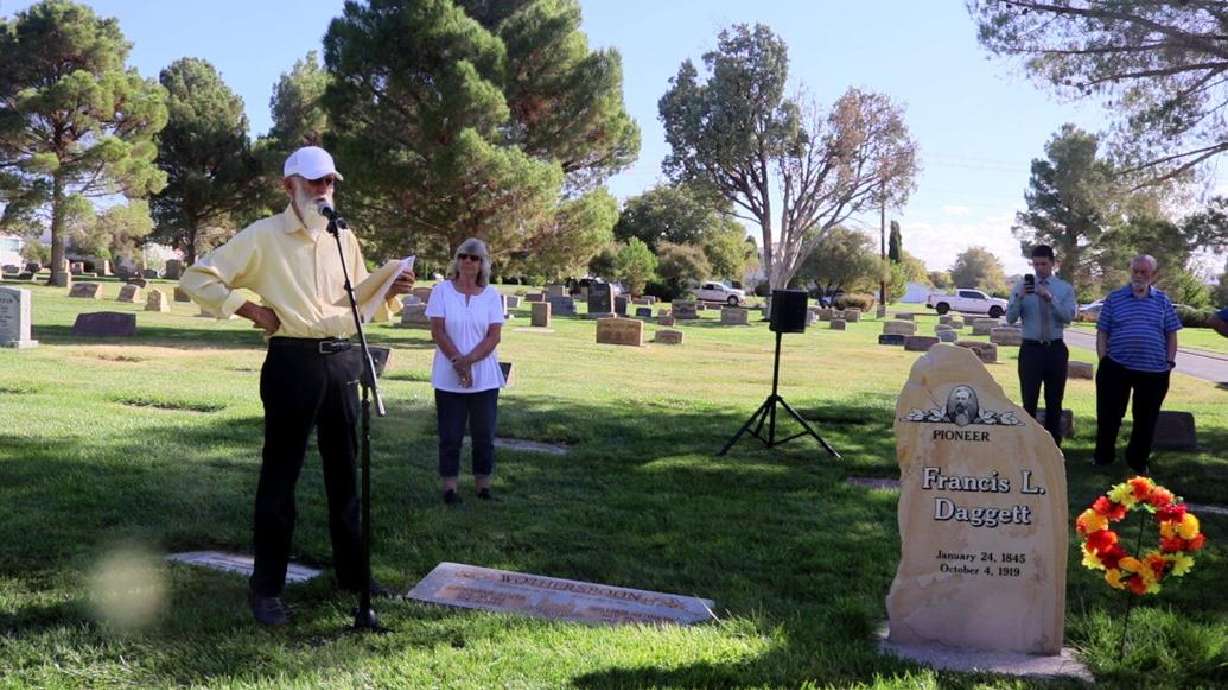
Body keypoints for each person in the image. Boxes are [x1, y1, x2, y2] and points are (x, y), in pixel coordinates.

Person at [179, 146, 415, 625]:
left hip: (343, 362)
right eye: (313, 182)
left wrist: (389, 289)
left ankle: (352, 575)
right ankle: (266, 590)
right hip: (292, 363)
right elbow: (197, 276)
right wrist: (250, 309)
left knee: (345, 474)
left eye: (329, 181)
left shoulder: (344, 236)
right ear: (288, 186)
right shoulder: (263, 235)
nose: (323, 190)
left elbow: (352, 296)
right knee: (280, 478)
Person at [426, 238, 506, 505]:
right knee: (450, 436)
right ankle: (450, 488)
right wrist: (458, 362)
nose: (467, 261)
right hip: (448, 377)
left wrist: (469, 361)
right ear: (456, 260)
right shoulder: (441, 292)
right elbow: (438, 330)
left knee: (484, 435)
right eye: (463, 256)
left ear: (483, 263)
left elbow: (494, 336)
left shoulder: (492, 295)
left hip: (484, 378)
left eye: (474, 257)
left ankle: (483, 486)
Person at [1094, 254, 1181, 475]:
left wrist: (1170, 360)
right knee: (1109, 415)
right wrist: (1103, 359)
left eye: (1145, 272)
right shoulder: (1114, 299)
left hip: (1154, 371)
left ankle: (1138, 461)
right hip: (1116, 367)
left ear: (1153, 275)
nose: (1139, 276)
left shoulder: (1162, 301)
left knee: (1146, 419)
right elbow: (1102, 330)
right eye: (1136, 271)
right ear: (1130, 271)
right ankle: (1103, 458)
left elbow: (1171, 332)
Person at [1005, 245, 1077, 446]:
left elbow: (1068, 317)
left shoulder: (1064, 288)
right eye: (1036, 264)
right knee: (1029, 400)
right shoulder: (1021, 287)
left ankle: (1053, 447)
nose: (1039, 268)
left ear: (1053, 263)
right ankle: (1028, 445)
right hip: (1031, 349)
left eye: (1044, 264)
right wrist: (1019, 297)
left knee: (1054, 401)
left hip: (1055, 349)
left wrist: (1050, 298)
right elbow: (1010, 318)